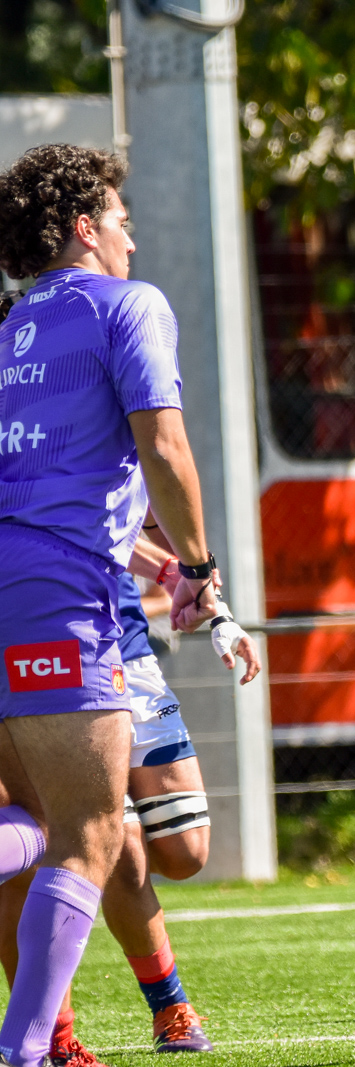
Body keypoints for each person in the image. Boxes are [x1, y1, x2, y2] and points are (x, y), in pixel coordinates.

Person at [0, 143, 221, 1067]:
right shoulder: (131, 305)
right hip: (63, 593)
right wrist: (202, 565)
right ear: (86, 226)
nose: (133, 233)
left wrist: (155, 561)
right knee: (92, 834)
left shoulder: (7, 328)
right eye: (122, 217)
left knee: (41, 819)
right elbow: (164, 447)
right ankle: (22, 1051)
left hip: (16, 578)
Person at [0, 533, 259, 1065]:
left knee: (184, 853)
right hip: (46, 648)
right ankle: (60, 1035)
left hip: (128, 653)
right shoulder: (26, 468)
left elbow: (123, 504)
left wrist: (185, 576)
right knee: (95, 841)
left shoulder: (108, 463)